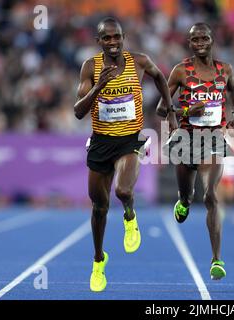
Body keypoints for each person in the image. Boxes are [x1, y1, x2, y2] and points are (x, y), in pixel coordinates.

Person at [74, 17, 176, 292]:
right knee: (99, 207)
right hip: (100, 143)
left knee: (122, 190)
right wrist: (98, 87)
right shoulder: (91, 67)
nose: (113, 42)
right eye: (106, 38)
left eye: (116, 36)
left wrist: (169, 108)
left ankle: (130, 216)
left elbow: (159, 77)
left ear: (123, 37)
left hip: (129, 140)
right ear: (99, 42)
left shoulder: (139, 61)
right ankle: (98, 260)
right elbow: (78, 111)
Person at [157, 22, 234, 280]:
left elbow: (233, 91)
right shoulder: (181, 71)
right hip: (186, 139)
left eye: (204, 37)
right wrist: (185, 112)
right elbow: (162, 108)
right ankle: (183, 201)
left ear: (212, 39)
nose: (200, 42)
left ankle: (217, 259)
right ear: (190, 43)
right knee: (187, 195)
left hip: (214, 138)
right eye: (195, 39)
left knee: (211, 196)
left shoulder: (224, 70)